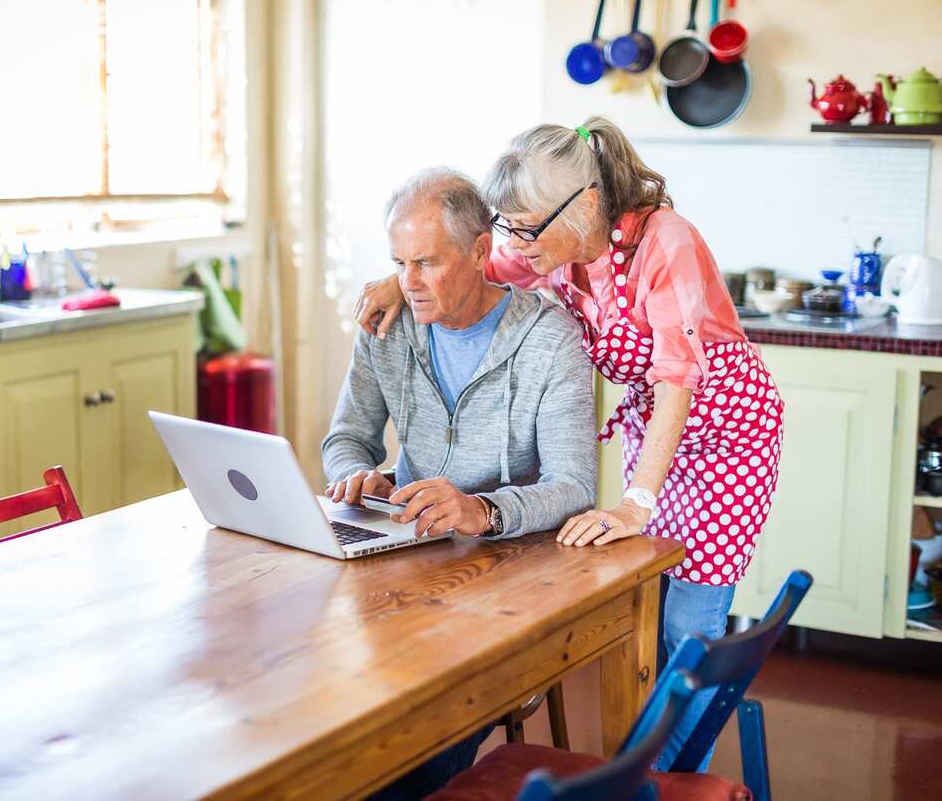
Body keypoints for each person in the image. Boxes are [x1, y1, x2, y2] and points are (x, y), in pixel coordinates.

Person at [353, 119, 785, 772]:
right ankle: (641, 772)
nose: (515, 245)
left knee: (686, 627)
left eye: (525, 228)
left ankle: (665, 778)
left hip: (727, 440)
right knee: (648, 604)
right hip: (658, 435)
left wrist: (636, 503)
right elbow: (467, 261)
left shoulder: (666, 241)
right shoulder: (547, 248)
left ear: (584, 205)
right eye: (510, 228)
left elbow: (676, 380)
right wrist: (398, 281)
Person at [323, 166, 597, 799]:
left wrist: (483, 510)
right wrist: (352, 476)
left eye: (425, 262)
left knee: (415, 742)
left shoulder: (548, 340)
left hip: (503, 576)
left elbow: (574, 483)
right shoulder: (386, 325)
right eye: (398, 263)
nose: (408, 283)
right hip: (401, 565)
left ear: (480, 252)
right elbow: (345, 439)